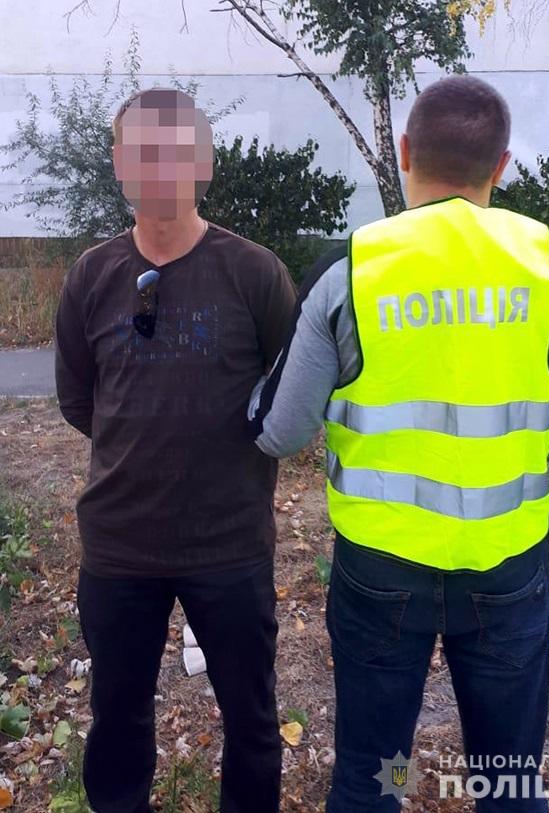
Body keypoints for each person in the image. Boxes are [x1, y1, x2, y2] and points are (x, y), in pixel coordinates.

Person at [249, 75, 549, 811]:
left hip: (378, 574)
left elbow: (282, 430)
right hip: (509, 573)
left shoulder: (351, 274)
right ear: (501, 166)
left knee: (373, 778)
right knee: (509, 783)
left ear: (405, 151)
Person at [55, 87, 296, 813]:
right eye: (142, 152)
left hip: (230, 545)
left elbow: (286, 393)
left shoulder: (255, 273)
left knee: (252, 721)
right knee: (118, 719)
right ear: (119, 163)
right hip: (120, 546)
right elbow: (79, 401)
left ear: (203, 162)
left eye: (174, 151)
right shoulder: (91, 276)